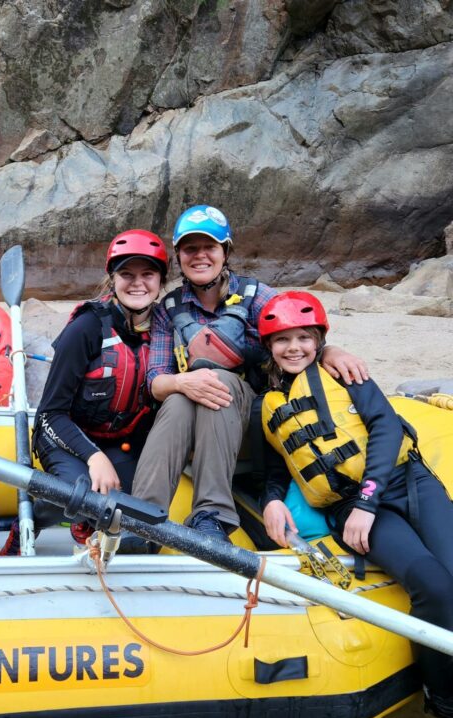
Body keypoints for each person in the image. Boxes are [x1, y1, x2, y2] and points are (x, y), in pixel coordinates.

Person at [258, 290, 453, 718]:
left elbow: (385, 428)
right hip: (350, 508)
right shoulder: (267, 405)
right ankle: (442, 699)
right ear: (268, 346)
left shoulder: (345, 373)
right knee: (436, 587)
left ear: (319, 341)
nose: (294, 348)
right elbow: (276, 467)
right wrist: (271, 499)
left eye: (304, 338)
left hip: (405, 483)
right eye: (282, 339)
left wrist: (368, 498)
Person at [127, 204, 368, 545]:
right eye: (190, 248)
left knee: (219, 382)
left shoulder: (257, 296)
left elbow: (301, 338)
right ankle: (142, 519)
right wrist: (183, 382)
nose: (200, 256)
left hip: (254, 423)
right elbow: (156, 380)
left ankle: (212, 516)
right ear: (179, 255)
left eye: (209, 247)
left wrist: (331, 350)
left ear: (225, 252)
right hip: (190, 423)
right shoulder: (169, 308)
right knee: (178, 397)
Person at [26, 229, 168, 552]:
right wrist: (94, 457)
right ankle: (36, 516)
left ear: (161, 281)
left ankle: (92, 526)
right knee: (83, 494)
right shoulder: (86, 328)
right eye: (127, 274)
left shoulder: (165, 331)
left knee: (139, 511)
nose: (137, 283)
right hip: (65, 437)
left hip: (120, 440)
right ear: (112, 279)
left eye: (148, 274)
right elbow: (50, 414)